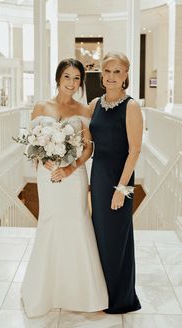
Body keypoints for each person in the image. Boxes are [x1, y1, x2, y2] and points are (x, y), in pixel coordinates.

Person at [21, 58, 108, 318]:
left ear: (81, 82)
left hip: (74, 177)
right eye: (67, 77)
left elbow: (89, 147)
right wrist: (43, 158)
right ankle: (44, 292)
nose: (71, 83)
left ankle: (84, 294)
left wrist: (71, 168)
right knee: (49, 225)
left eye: (77, 78)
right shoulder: (40, 106)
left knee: (78, 226)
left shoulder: (85, 109)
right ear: (58, 78)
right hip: (48, 178)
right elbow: (32, 142)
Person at [89, 51, 142, 314]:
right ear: (102, 74)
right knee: (99, 236)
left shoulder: (131, 106)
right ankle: (101, 294)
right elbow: (84, 139)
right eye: (108, 71)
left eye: (117, 71)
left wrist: (122, 189)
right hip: (98, 178)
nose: (111, 76)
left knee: (117, 239)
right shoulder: (95, 104)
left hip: (120, 181)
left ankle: (120, 298)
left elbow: (135, 151)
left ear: (125, 76)